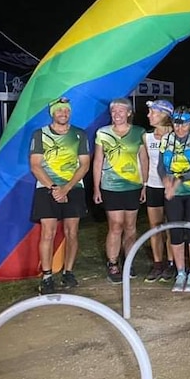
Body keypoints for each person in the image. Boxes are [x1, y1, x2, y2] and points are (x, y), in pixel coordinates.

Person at [29, 97, 91, 294]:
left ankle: (68, 272)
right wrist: (55, 188)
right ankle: (47, 276)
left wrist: (67, 188)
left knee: (72, 232)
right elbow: (35, 166)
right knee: (48, 233)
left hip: (73, 187)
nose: (63, 114)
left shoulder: (79, 134)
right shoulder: (40, 134)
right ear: (52, 113)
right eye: (59, 111)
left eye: (66, 111)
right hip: (47, 188)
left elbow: (85, 165)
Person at [93, 97, 148, 284]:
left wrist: (145, 184)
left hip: (133, 186)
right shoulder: (103, 133)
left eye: (121, 111)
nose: (117, 114)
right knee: (115, 226)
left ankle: (129, 260)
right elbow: (98, 161)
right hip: (110, 186)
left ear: (129, 113)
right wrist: (96, 187)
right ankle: (113, 262)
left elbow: (144, 160)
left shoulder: (139, 132)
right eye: (114, 111)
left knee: (130, 226)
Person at [159, 106, 190, 292]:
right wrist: (166, 181)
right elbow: (161, 166)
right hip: (173, 193)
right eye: (176, 124)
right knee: (175, 233)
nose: (180, 128)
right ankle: (180, 272)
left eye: (184, 124)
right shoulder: (166, 139)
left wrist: (177, 181)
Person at [142, 99, 175, 283]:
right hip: (154, 186)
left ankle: (171, 263)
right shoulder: (146, 137)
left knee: (170, 227)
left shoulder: (176, 135)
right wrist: (145, 184)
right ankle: (157, 263)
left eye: (152, 112)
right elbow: (146, 162)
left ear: (163, 115)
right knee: (155, 227)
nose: (148, 115)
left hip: (171, 187)